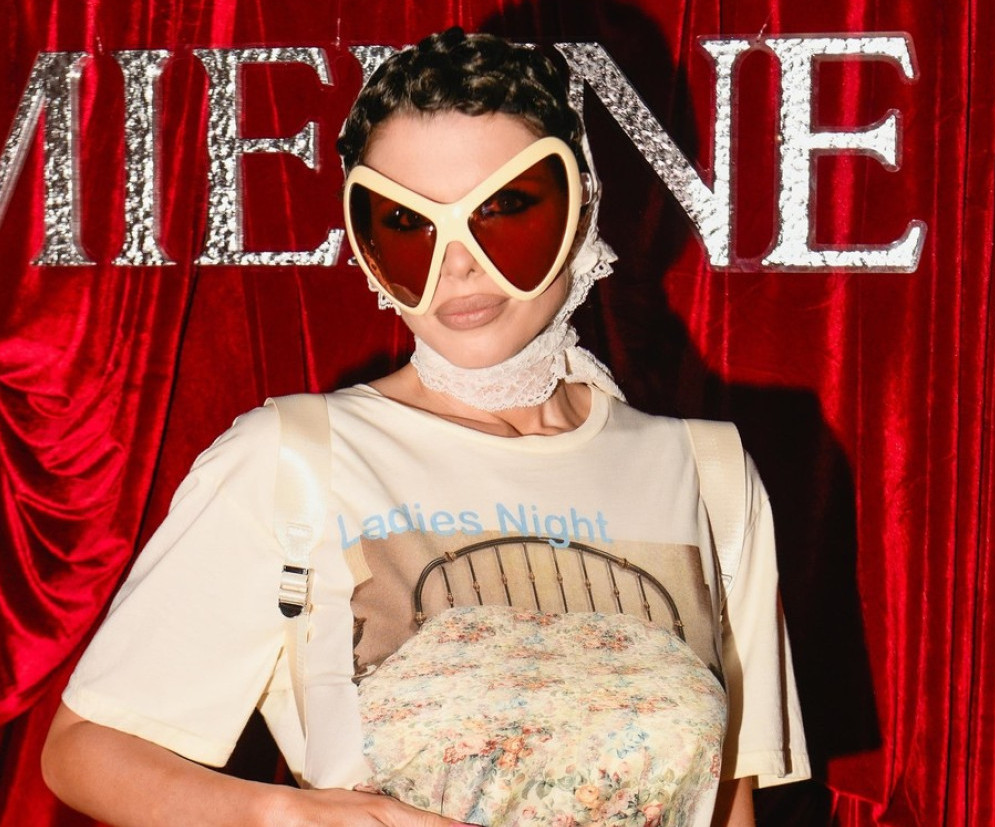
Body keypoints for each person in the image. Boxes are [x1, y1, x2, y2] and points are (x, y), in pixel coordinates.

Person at [43, 28, 809, 827]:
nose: (458, 262)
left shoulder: (705, 471)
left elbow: (727, 799)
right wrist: (298, 819)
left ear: (581, 204)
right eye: (409, 224)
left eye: (503, 210)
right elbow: (86, 748)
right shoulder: (295, 459)